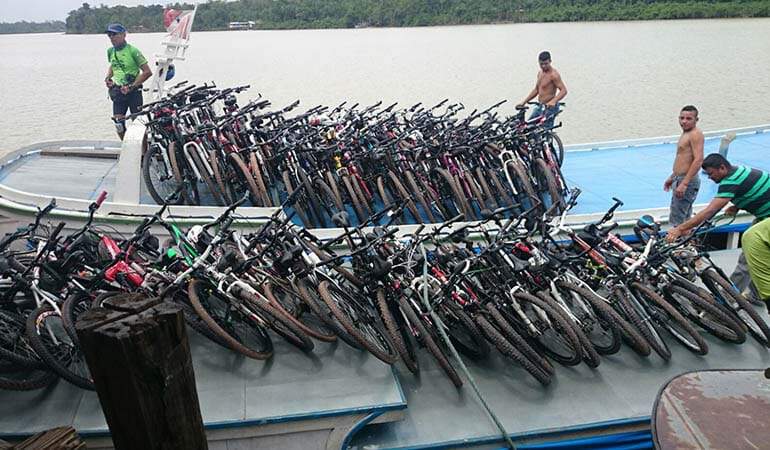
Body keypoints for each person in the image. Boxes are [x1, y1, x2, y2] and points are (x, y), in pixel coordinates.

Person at [667, 153, 770, 311]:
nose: (709, 178)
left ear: (722, 168)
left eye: (711, 173)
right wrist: (737, 206)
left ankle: (727, 301)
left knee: (748, 257)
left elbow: (710, 211)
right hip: (764, 215)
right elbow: (754, 189)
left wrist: (680, 228)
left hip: (766, 219)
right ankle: (755, 295)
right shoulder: (739, 170)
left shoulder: (730, 181)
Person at [104, 23, 152, 140]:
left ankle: (144, 153)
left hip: (133, 92)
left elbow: (147, 72)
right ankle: (127, 147)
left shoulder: (133, 51)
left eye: (114, 34)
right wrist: (108, 78)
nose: (111, 37)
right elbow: (113, 65)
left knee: (139, 125)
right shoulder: (110, 51)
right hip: (118, 92)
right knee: (118, 124)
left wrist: (132, 86)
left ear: (123, 35)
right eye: (109, 35)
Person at [663, 105, 704, 226]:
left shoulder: (695, 134)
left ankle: (675, 243)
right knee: (684, 218)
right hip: (679, 178)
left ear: (696, 120)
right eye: (682, 118)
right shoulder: (686, 133)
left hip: (687, 180)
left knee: (677, 219)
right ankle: (686, 243)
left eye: (688, 118)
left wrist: (684, 183)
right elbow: (683, 159)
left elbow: (698, 160)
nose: (684, 121)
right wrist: (672, 177)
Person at [517, 51, 567, 129]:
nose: (543, 66)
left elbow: (563, 90)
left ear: (550, 61)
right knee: (528, 127)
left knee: (545, 130)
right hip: (540, 106)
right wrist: (524, 102)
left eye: (546, 64)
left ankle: (548, 139)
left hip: (550, 108)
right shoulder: (540, 73)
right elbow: (536, 90)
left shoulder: (554, 75)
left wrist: (553, 101)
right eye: (541, 64)